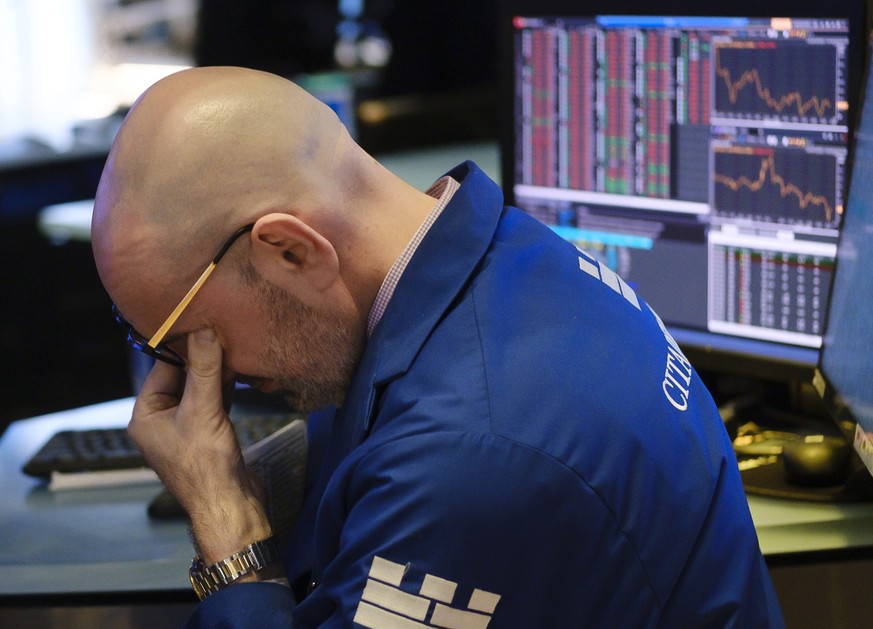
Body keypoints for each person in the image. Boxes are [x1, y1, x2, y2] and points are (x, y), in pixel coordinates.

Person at [91, 66, 784, 627]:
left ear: (291, 252)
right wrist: (254, 473)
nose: (200, 378)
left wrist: (227, 529)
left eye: (188, 340)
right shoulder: (506, 256)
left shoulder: (469, 456)